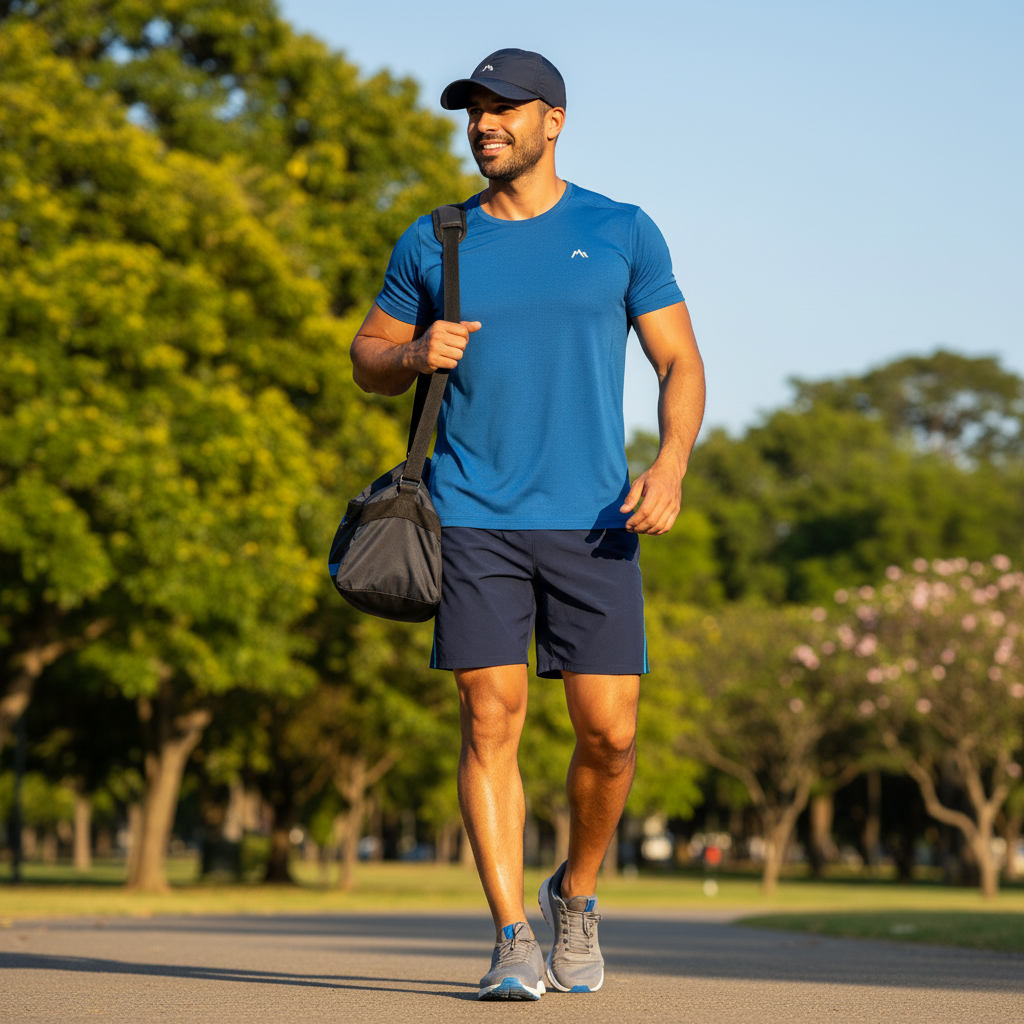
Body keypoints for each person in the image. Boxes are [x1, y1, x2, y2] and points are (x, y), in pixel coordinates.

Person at [350, 48, 705, 1001]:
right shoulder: (437, 240)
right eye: (473, 111)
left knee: (611, 735)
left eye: (504, 109)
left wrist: (668, 464)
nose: (483, 124)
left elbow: (680, 363)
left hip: (595, 521)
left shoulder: (622, 231)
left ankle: (574, 896)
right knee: (489, 717)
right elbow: (367, 355)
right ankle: (511, 935)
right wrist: (413, 349)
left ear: (553, 121)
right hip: (471, 518)